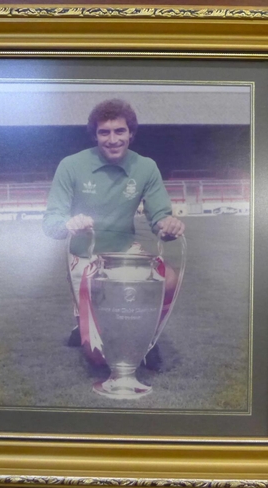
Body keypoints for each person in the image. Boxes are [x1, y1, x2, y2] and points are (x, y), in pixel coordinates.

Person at [42, 99, 185, 370]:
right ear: (95, 135)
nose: (113, 139)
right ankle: (82, 324)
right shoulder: (71, 165)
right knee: (99, 356)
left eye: (120, 131)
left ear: (131, 133)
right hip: (84, 256)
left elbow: (159, 218)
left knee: (168, 279)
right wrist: (69, 223)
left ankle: (148, 339)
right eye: (104, 132)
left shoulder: (146, 167)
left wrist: (168, 226)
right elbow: (51, 222)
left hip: (125, 252)